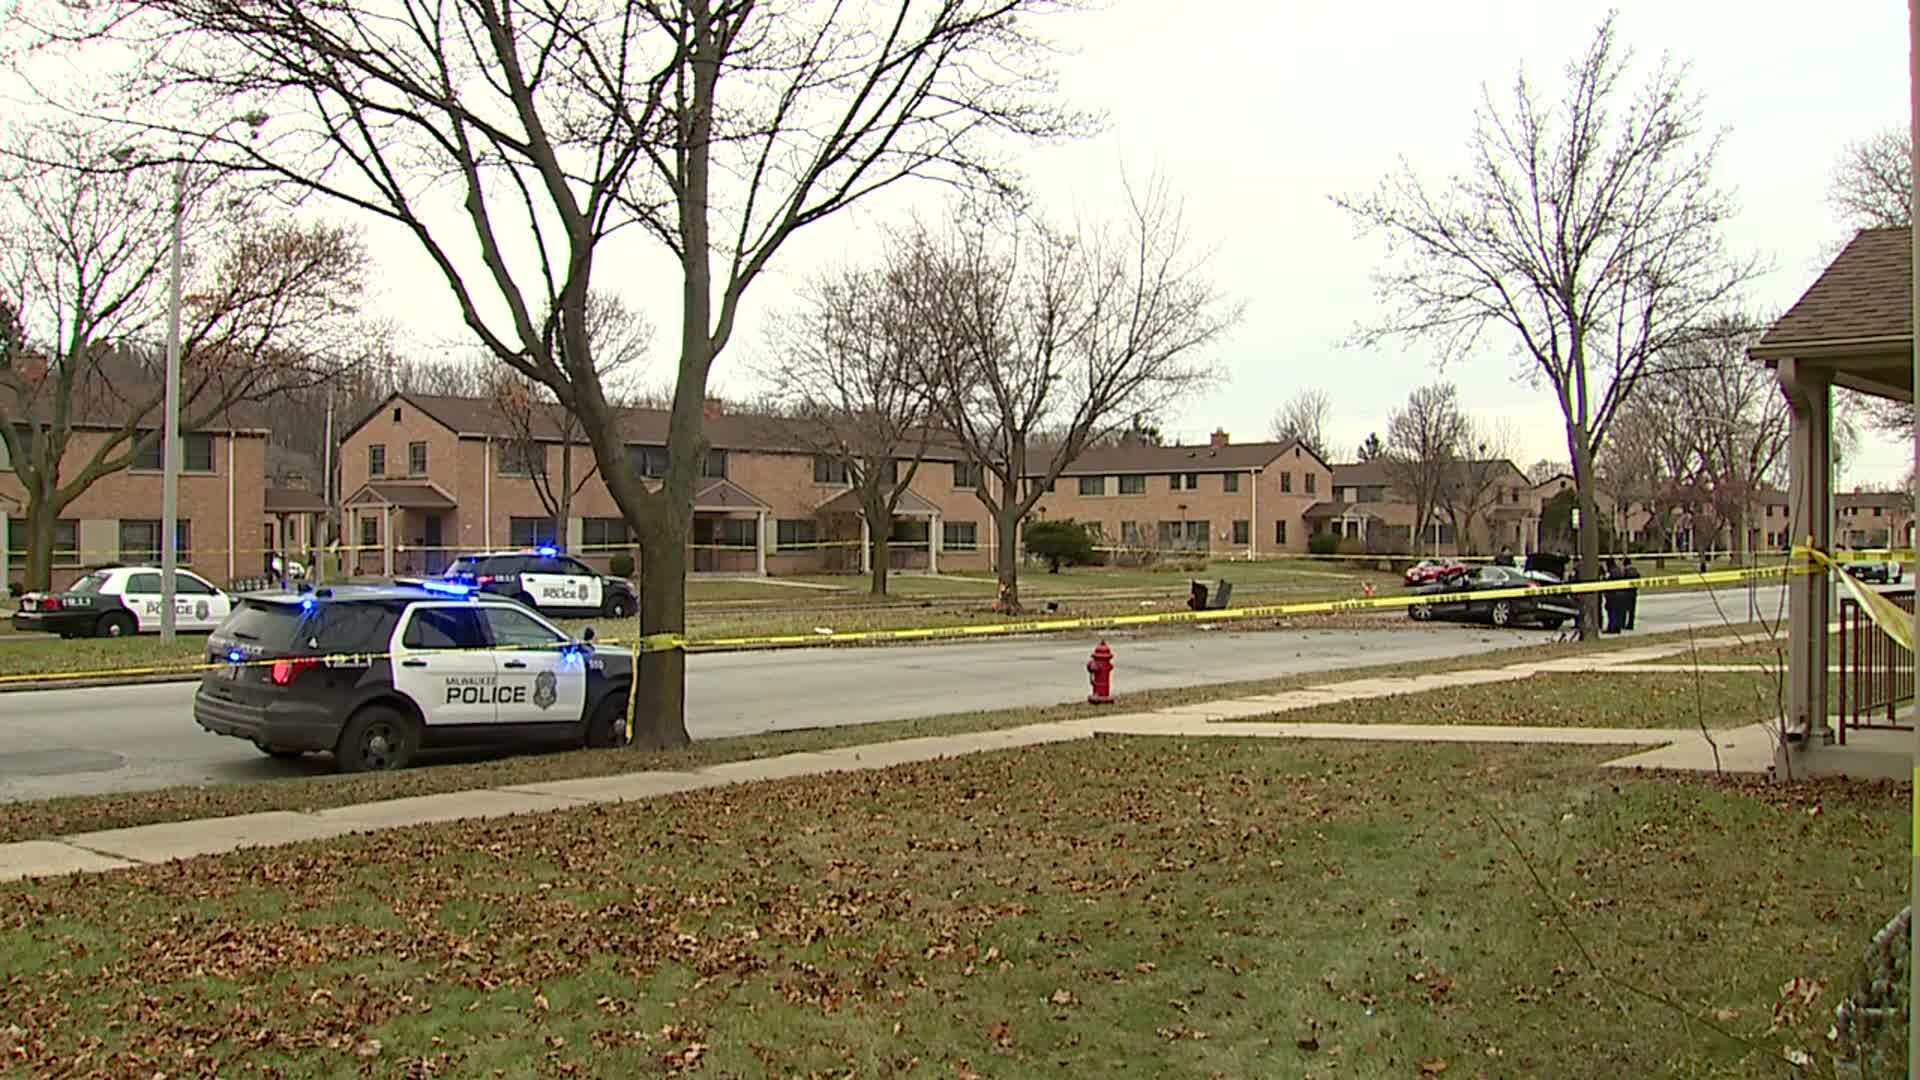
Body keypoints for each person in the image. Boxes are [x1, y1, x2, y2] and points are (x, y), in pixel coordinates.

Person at [1600, 557, 1622, 634]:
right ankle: (1617, 627)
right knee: (1617, 612)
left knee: (1611, 612)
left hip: (1611, 594)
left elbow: (1605, 580)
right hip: (1620, 593)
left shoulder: (1610, 572)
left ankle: (1611, 628)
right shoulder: (1619, 570)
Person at [1621, 556, 1641, 630]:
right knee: (1632, 610)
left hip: (1626, 593)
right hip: (1633, 592)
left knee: (1623, 609)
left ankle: (1623, 624)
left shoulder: (1625, 571)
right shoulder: (1635, 570)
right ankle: (1630, 624)